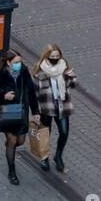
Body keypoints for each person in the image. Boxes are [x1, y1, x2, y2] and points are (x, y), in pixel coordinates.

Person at [0, 49, 39, 186]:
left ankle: (10, 146)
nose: (19, 65)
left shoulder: (24, 72)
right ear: (8, 63)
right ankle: (12, 171)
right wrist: (4, 95)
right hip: (7, 109)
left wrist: (35, 111)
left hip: (22, 109)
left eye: (20, 62)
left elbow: (31, 91)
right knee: (12, 139)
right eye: (16, 62)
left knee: (20, 140)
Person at [32, 43, 77, 173]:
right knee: (46, 134)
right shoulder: (39, 70)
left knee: (64, 132)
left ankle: (58, 156)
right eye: (52, 56)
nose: (55, 58)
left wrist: (72, 77)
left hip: (62, 106)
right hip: (46, 108)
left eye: (57, 56)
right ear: (47, 56)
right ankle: (44, 158)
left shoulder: (64, 67)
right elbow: (34, 92)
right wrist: (35, 111)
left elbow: (73, 85)